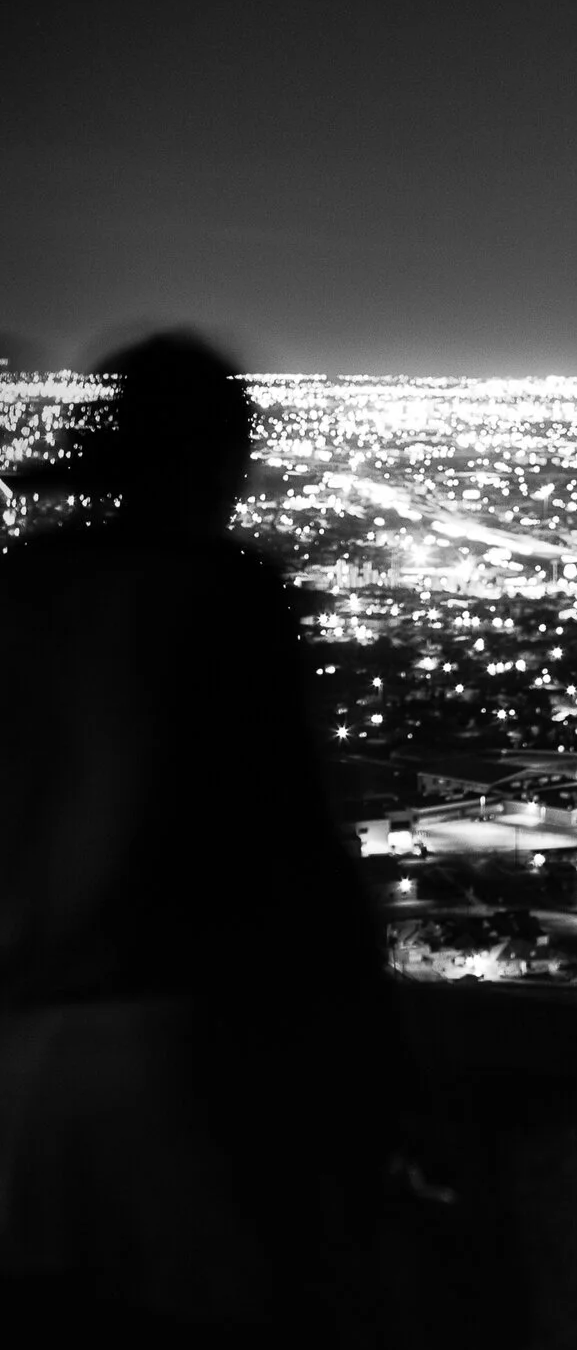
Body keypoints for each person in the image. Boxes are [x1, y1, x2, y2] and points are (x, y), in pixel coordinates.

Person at [0, 332, 429, 1342]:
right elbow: (291, 836)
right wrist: (375, 1063)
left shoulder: (28, 588)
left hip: (19, 1060)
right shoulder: (224, 593)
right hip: (175, 1059)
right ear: (217, 460)